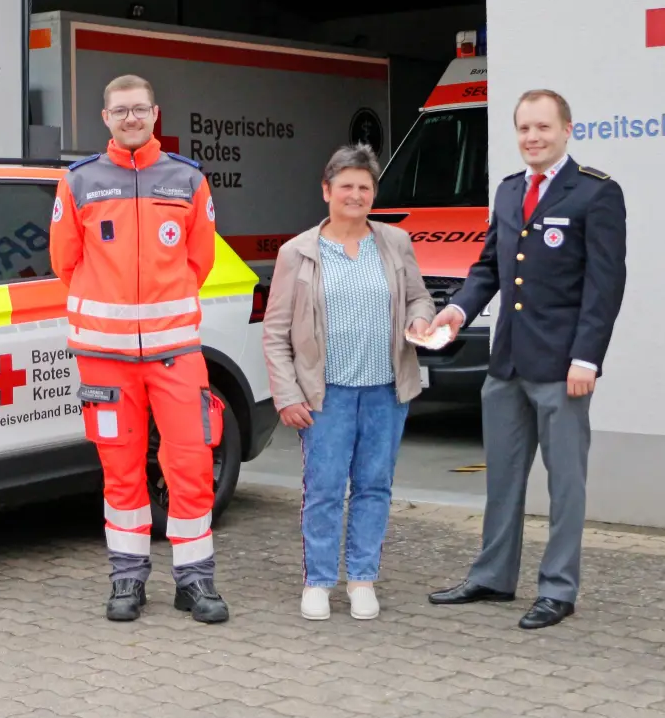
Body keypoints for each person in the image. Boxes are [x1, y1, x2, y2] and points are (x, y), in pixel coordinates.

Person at [426, 88, 627, 630]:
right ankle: (493, 576)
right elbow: (490, 267)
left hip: (563, 368)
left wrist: (588, 357)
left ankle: (558, 590)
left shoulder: (595, 194)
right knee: (503, 480)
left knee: (565, 485)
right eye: (524, 129)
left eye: (542, 127)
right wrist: (457, 313)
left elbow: (604, 287)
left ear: (566, 130)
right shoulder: (511, 192)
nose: (532, 138)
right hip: (507, 364)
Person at [48, 73, 229, 624]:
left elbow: (200, 261)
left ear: (155, 114)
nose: (131, 118)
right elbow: (64, 263)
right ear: (105, 118)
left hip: (175, 353)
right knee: (121, 470)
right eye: (120, 110)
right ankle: (127, 581)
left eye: (140, 109)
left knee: (192, 466)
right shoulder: (77, 183)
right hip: (105, 357)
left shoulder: (187, 179)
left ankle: (195, 583)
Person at [262, 144, 437, 621]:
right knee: (323, 490)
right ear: (326, 191)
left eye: (365, 187)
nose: (355, 195)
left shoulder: (395, 243)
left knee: (375, 487)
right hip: (326, 395)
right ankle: (318, 581)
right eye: (346, 187)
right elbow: (276, 334)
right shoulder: (296, 252)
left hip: (386, 390)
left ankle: (362, 579)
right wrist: (287, 394)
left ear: (373, 193)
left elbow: (421, 299)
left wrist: (421, 321)